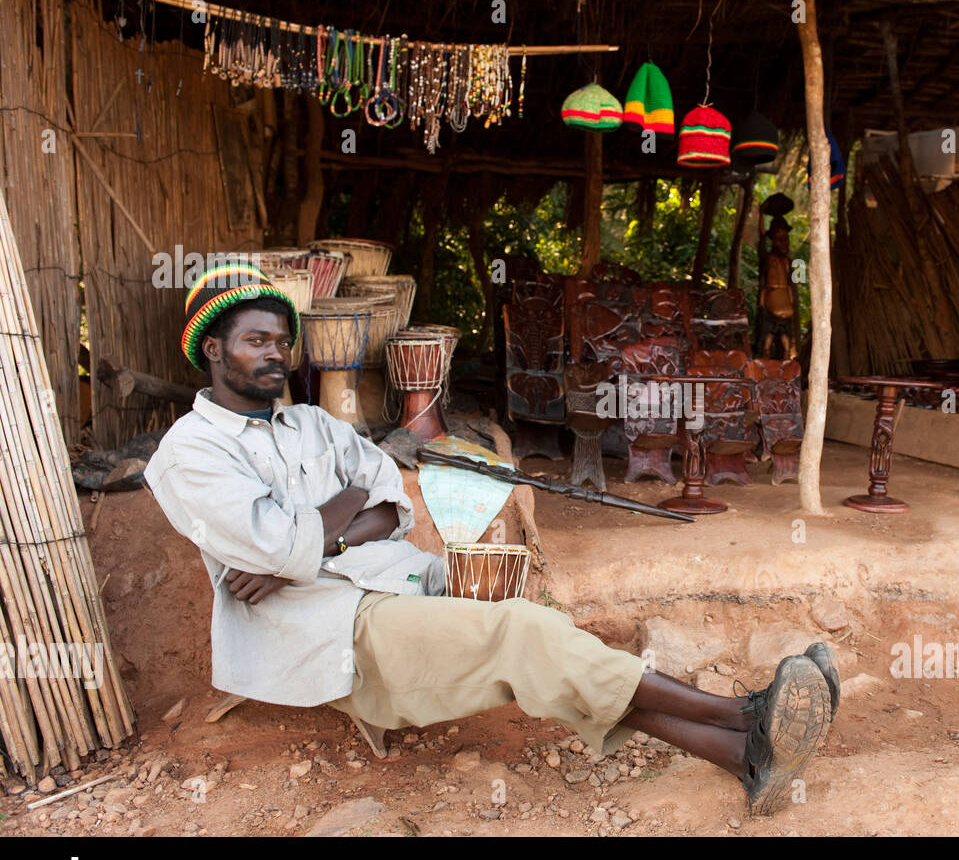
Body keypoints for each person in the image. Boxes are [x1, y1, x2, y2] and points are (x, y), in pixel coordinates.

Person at [143, 262, 840, 816]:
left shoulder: (311, 426)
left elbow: (389, 505)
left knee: (538, 647)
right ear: (213, 349)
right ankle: (746, 711)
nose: (275, 354)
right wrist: (329, 523)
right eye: (255, 341)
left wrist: (314, 537)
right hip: (330, 630)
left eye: (279, 340)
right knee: (523, 634)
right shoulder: (190, 451)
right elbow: (285, 541)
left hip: (395, 582)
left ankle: (745, 752)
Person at [756, 216, 799, 361]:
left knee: (786, 336)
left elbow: (796, 283)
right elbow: (761, 241)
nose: (783, 242)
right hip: (771, 301)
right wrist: (761, 215)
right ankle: (765, 361)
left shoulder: (790, 261)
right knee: (768, 336)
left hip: (786, 302)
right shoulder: (767, 258)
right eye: (779, 238)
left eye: (785, 238)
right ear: (773, 240)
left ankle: (787, 360)